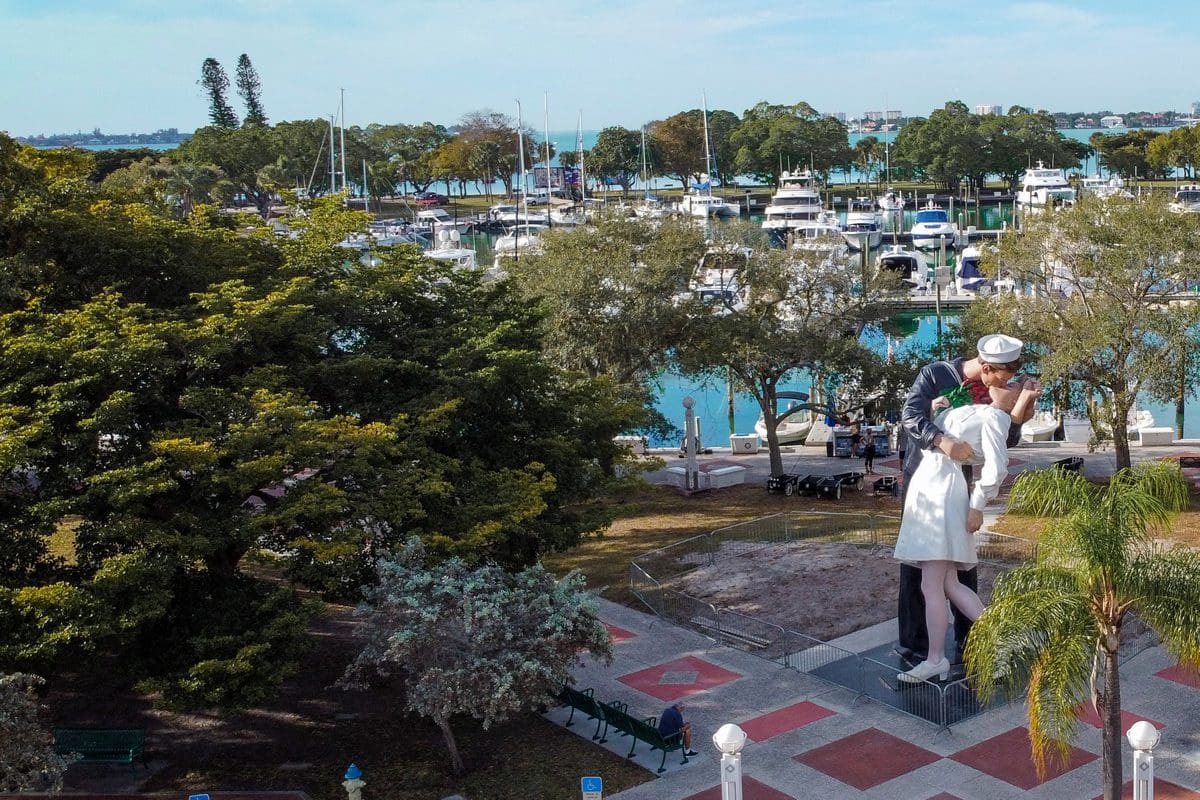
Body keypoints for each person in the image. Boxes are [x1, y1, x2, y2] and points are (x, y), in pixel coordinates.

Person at [895, 334, 1039, 667]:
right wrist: (941, 439)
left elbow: (1001, 443)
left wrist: (1021, 410)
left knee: (950, 575)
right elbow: (911, 415)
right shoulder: (936, 374)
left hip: (951, 485)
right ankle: (917, 645)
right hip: (922, 478)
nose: (1007, 383)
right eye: (1004, 377)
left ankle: (965, 643)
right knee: (920, 574)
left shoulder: (995, 400)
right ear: (987, 368)